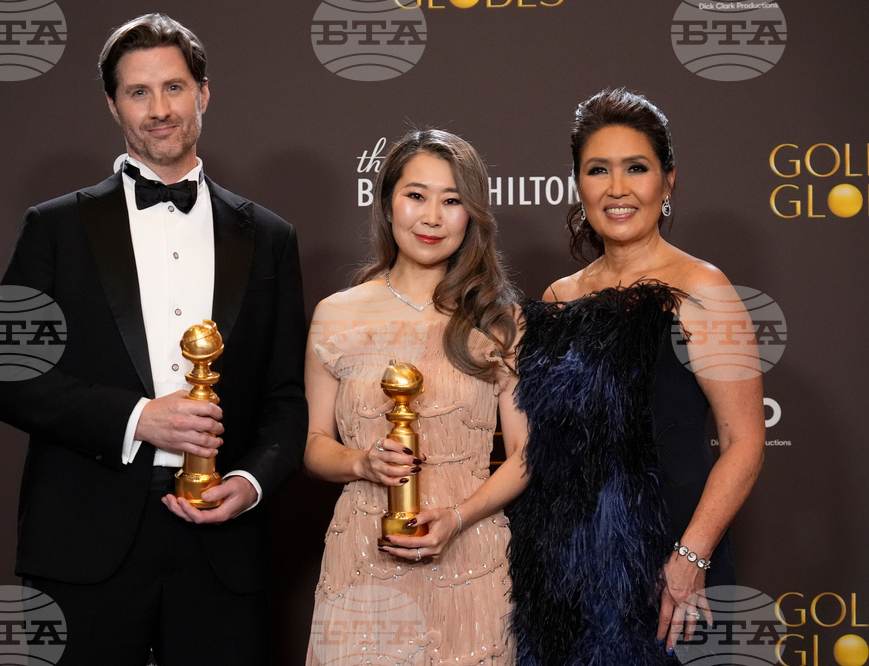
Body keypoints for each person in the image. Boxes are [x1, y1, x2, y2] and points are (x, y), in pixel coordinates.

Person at [0, 13, 306, 665]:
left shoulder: (270, 236)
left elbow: (287, 395)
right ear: (113, 104)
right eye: (138, 92)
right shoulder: (54, 229)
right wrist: (139, 419)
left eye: (175, 88)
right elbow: (4, 377)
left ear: (204, 93)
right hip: (84, 539)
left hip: (223, 542)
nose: (160, 110)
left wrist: (251, 479)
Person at [507, 88, 766, 665]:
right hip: (566, 571)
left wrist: (690, 559)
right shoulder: (558, 299)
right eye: (599, 170)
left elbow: (745, 443)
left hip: (668, 567)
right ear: (578, 184)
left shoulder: (705, 291)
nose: (617, 188)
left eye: (637, 168)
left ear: (667, 181)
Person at [303, 129, 529, 665]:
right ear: (387, 203)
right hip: (362, 553)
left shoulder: (501, 320)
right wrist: (361, 461)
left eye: (452, 201)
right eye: (416, 196)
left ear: (472, 215)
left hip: (471, 553)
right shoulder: (337, 314)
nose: (432, 217)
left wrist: (458, 516)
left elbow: (527, 454)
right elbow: (314, 444)